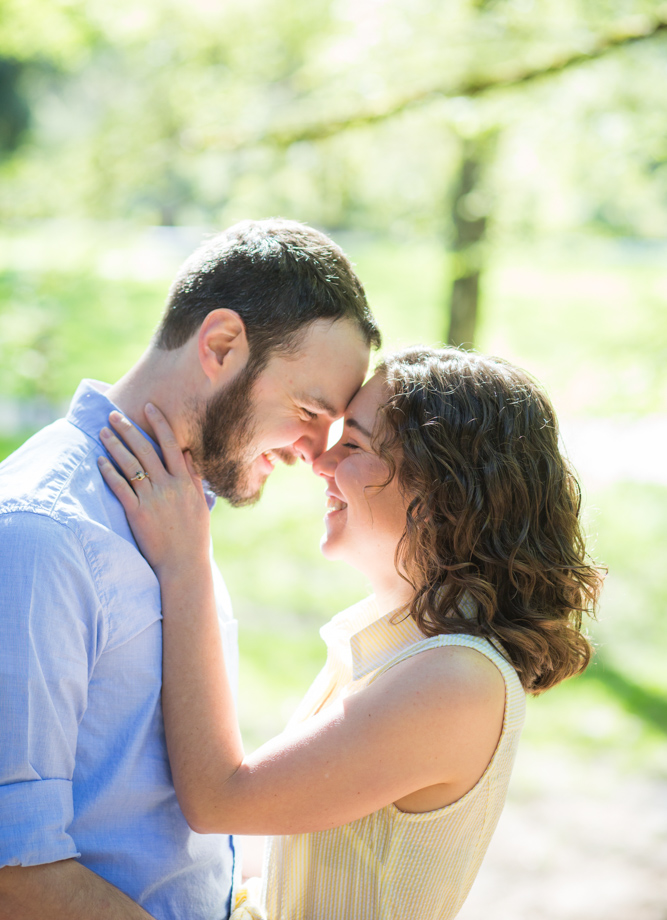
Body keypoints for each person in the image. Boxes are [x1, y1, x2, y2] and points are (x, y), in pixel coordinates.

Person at [99, 345, 603, 920]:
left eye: (355, 444)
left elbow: (220, 799)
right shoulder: (401, 643)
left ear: (442, 492)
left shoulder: (456, 680)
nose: (319, 460)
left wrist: (184, 562)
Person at [0, 218, 380, 920]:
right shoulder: (42, 535)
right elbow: (15, 873)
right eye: (307, 410)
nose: (310, 453)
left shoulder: (173, 510)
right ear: (221, 345)